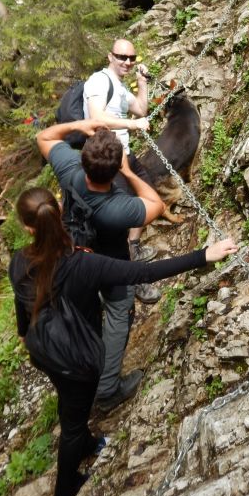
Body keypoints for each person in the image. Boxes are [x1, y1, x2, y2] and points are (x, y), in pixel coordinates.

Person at [9, 184, 238, 496]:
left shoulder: (19, 262)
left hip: (45, 351)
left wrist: (24, 334)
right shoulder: (84, 264)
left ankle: (86, 442)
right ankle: (65, 489)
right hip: (78, 357)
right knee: (73, 422)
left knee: (69, 402)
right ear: (60, 212)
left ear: (27, 227)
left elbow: (22, 305)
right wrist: (203, 255)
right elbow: (144, 273)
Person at [37, 119, 164, 413]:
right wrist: (128, 172)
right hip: (110, 266)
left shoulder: (70, 170)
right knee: (119, 312)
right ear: (116, 167)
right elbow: (156, 204)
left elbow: (44, 137)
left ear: (83, 158)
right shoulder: (117, 209)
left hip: (74, 258)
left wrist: (84, 124)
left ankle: (84, 370)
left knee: (86, 313)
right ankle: (106, 390)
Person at [83, 39, 160, 303]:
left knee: (147, 197)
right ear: (110, 56)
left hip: (125, 155)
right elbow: (97, 118)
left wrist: (142, 83)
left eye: (131, 58)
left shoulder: (119, 86)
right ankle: (134, 279)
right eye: (122, 57)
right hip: (108, 160)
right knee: (122, 220)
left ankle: (133, 247)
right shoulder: (98, 81)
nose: (127, 62)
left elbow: (140, 109)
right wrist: (132, 124)